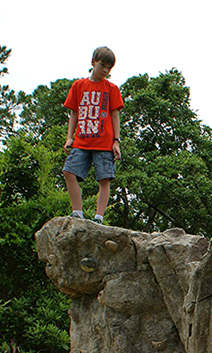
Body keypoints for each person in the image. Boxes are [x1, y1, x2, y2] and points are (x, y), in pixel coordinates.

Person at [62, 46, 124, 224]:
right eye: (102, 65)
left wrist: (116, 141)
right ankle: (77, 213)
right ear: (93, 62)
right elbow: (74, 113)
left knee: (104, 178)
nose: (105, 70)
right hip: (82, 140)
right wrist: (69, 137)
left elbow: (115, 116)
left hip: (104, 142)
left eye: (109, 68)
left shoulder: (111, 88)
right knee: (69, 172)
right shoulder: (78, 86)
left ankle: (99, 218)